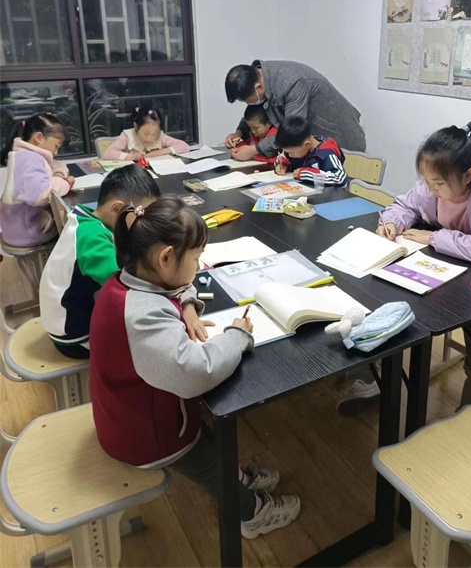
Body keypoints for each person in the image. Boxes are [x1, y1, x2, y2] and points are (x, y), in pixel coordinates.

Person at [89, 197, 301, 538]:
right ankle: (253, 514)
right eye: (196, 258)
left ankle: (238, 477)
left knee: (212, 439)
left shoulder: (130, 279)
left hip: (136, 412)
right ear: (165, 258)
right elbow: (195, 372)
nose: (199, 267)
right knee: (209, 466)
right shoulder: (142, 316)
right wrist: (237, 336)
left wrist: (187, 304)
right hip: (146, 436)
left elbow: (177, 285)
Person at [375, 121, 471, 410]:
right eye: (426, 181)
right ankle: (377, 381)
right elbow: (404, 205)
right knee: (385, 309)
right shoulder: (431, 186)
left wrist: (433, 237)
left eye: (438, 183)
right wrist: (392, 222)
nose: (430, 189)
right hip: (442, 274)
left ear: (468, 175)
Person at [39, 165, 160, 358]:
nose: (144, 223)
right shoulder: (92, 239)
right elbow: (123, 287)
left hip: (64, 317)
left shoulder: (87, 218)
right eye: (140, 214)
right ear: (117, 209)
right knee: (152, 341)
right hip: (74, 335)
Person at [224, 60, 366, 161]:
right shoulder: (260, 78)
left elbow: (290, 131)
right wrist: (239, 133)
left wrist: (254, 150)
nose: (248, 104)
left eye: (248, 101)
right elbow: (255, 111)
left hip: (340, 137)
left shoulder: (293, 83)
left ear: (258, 88)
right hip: (311, 145)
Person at [0, 113, 74, 247]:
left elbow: (55, 166)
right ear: (39, 138)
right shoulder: (30, 159)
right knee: (73, 227)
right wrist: (65, 183)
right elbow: (40, 196)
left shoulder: (23, 155)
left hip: (15, 228)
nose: (56, 152)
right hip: (28, 232)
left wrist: (58, 174)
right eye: (56, 146)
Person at [274, 116, 348, 187]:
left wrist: (307, 174)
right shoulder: (296, 147)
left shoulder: (326, 154)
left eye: (291, 153)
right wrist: (282, 165)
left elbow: (340, 178)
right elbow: (282, 157)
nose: (289, 155)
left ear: (307, 144)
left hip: (326, 194)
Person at [102, 107, 190, 161]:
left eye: (154, 134)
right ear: (136, 126)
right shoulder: (127, 136)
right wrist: (130, 157)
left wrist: (160, 152)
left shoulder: (161, 137)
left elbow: (184, 146)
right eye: (146, 133)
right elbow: (108, 153)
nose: (150, 139)